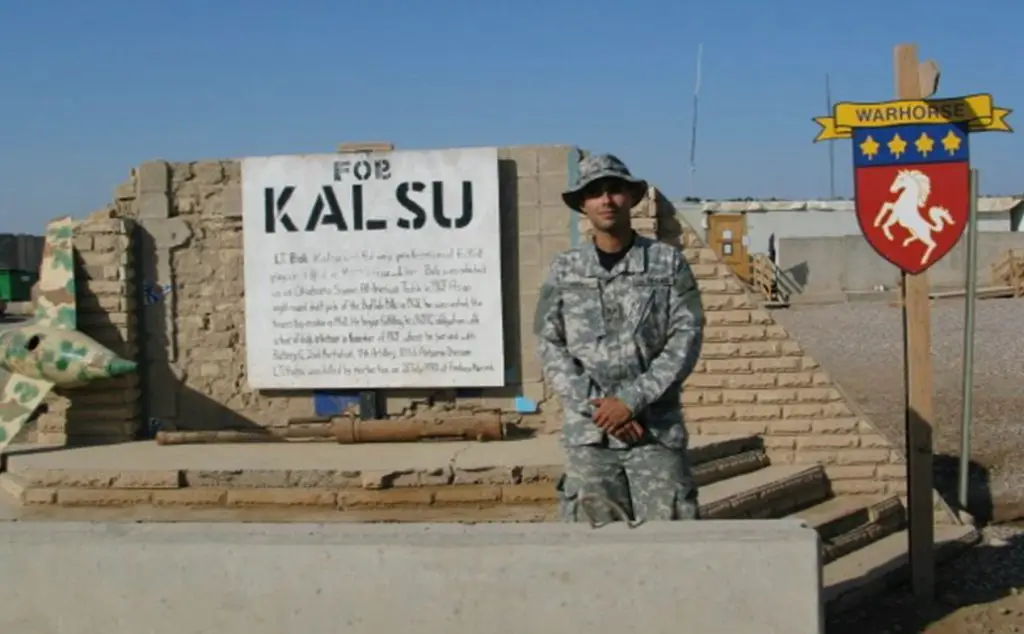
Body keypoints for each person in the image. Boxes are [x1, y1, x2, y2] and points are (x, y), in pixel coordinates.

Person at [534, 153, 705, 525]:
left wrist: (630, 401)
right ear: (583, 204)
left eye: (615, 191)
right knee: (594, 554)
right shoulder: (565, 269)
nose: (607, 200)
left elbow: (685, 337)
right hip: (591, 438)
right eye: (596, 193)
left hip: (654, 433)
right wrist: (603, 410)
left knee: (669, 546)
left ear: (632, 197)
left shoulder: (667, 263)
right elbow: (549, 343)